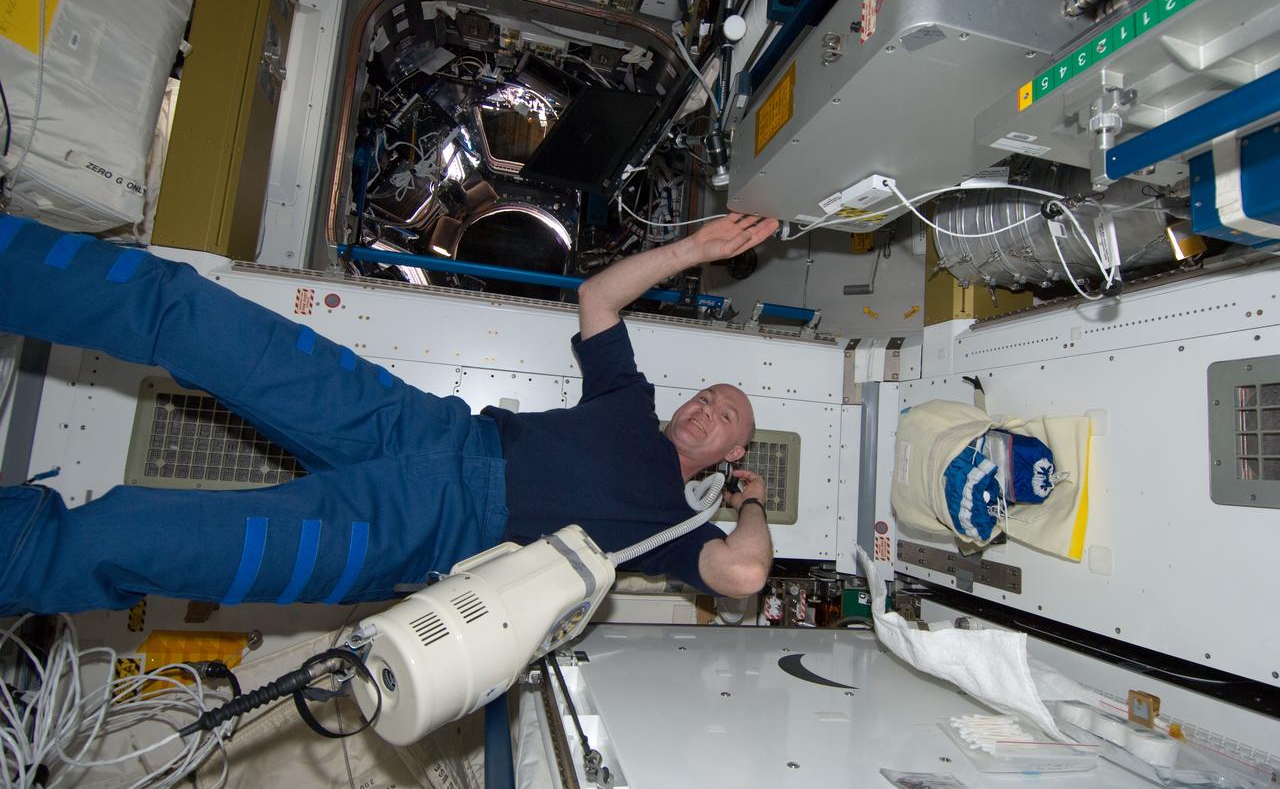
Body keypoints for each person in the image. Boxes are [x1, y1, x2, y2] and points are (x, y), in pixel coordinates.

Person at [0, 211, 778, 615]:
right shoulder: (625, 401)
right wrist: (690, 252)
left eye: (728, 416)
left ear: (726, 456)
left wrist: (753, 505)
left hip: (422, 533)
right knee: (186, 309)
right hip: (415, 424)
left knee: (125, 540)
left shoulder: (676, 531)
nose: (710, 407)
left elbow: (742, 574)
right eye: (710, 393)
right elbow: (598, 297)